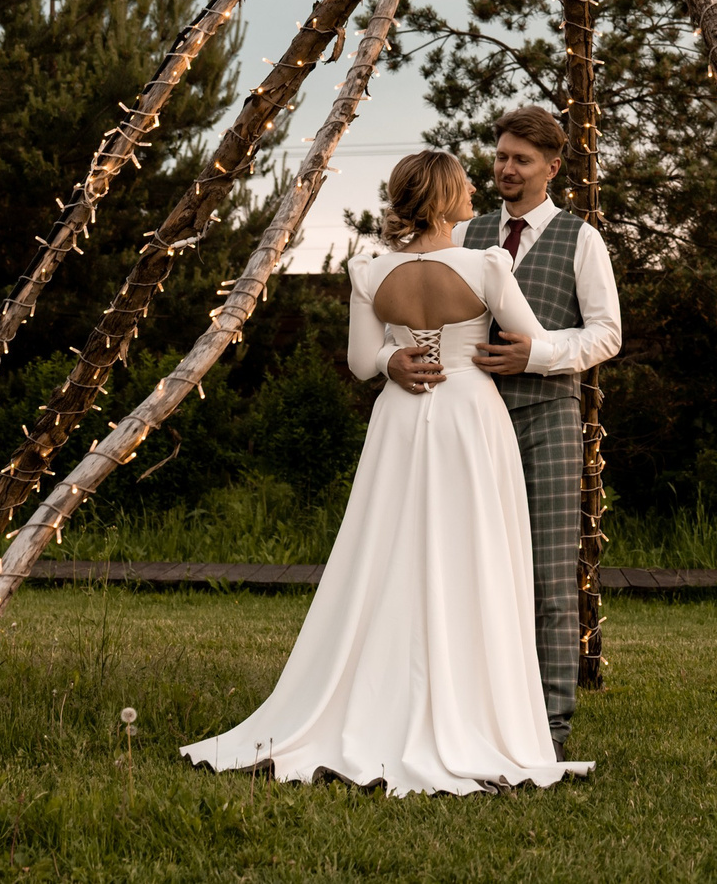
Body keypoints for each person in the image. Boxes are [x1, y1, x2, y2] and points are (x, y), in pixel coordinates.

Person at [180, 150, 592, 795]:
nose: (473, 194)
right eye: (463, 187)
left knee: (388, 553)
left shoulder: (370, 270)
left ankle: (377, 695)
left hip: (401, 417)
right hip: (468, 415)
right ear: (445, 198)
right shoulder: (487, 265)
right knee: (472, 555)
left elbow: (360, 360)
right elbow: (527, 339)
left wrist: (398, 358)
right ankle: (479, 709)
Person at [397, 105, 621, 750]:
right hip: (467, 424)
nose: (506, 169)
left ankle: (548, 724)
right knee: (467, 567)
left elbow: (607, 334)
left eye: (521, 160)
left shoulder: (580, 237)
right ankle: (467, 709)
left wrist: (539, 354)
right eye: (500, 157)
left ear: (552, 169)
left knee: (549, 575)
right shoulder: (465, 235)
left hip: (548, 418)